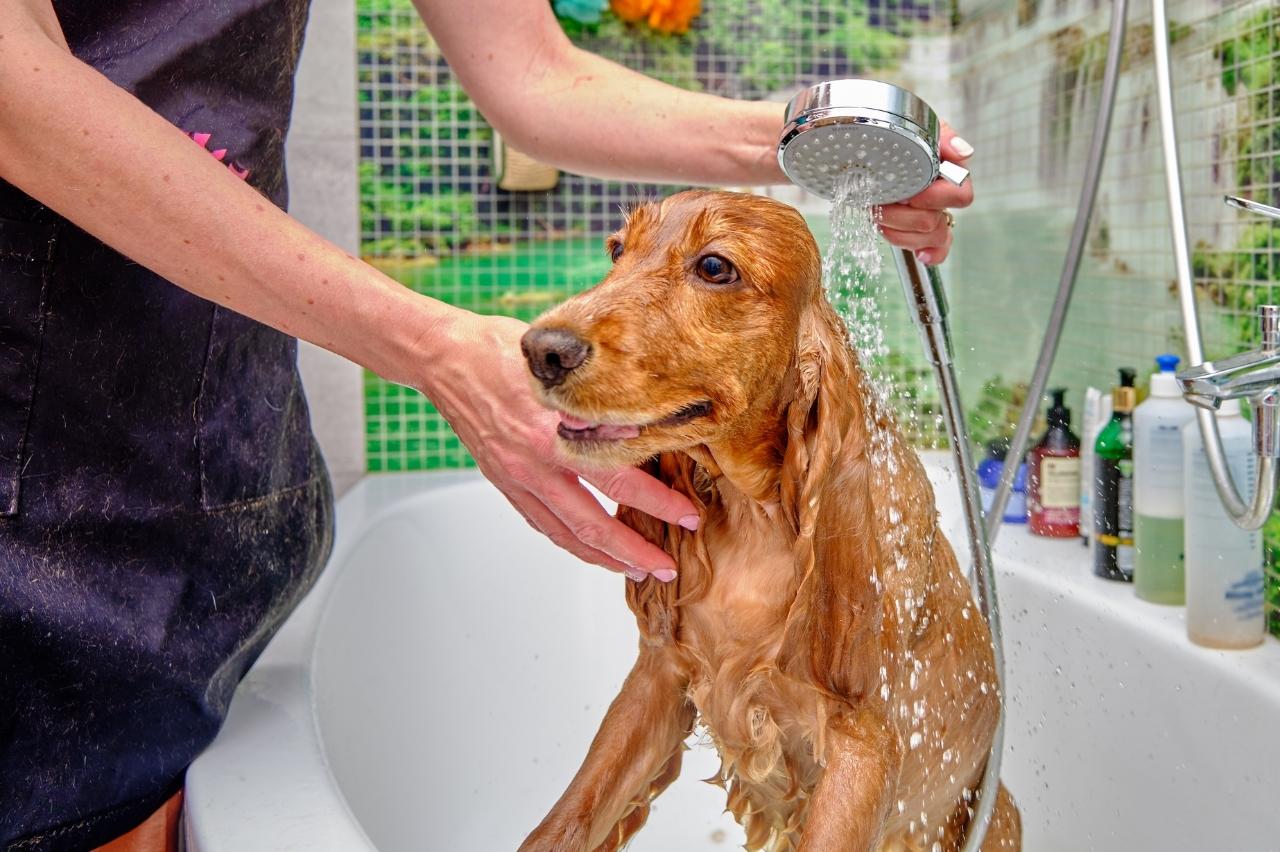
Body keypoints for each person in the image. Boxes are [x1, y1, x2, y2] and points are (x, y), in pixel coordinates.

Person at [0, 0, 974, 848]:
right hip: (37, 452)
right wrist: (427, 346)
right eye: (619, 254)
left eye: (710, 273)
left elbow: (534, 75)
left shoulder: (835, 499)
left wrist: (818, 143)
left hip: (212, 453)